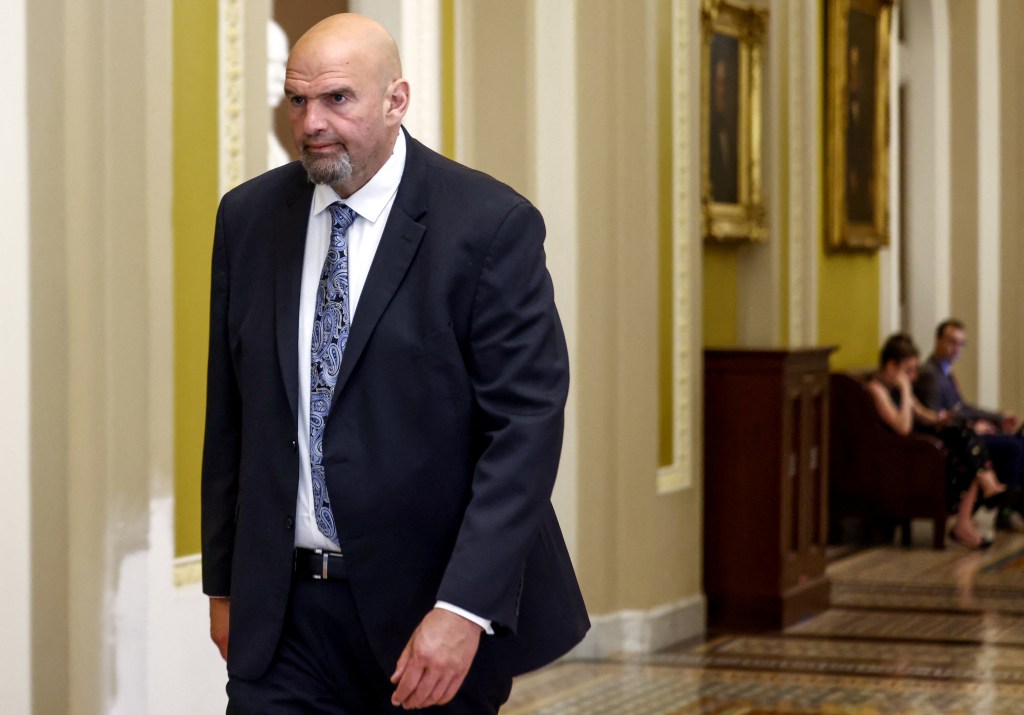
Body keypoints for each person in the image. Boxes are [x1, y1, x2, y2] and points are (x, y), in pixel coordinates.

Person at [201, 13, 589, 714]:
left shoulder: (488, 226)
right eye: (297, 100)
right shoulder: (248, 220)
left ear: (396, 100)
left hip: (425, 618)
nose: (311, 121)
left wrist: (464, 607)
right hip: (283, 618)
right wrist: (224, 584)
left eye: (337, 98)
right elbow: (229, 413)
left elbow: (525, 430)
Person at [868, 333, 1005, 549]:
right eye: (908, 371)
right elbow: (902, 427)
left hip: (916, 447)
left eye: (914, 370)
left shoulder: (900, 386)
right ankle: (983, 487)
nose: (913, 377)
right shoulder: (877, 390)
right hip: (900, 454)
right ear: (891, 366)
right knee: (964, 445)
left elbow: (922, 413)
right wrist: (905, 389)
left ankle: (967, 515)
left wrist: (941, 417)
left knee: (964, 435)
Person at [914, 318, 1024, 531]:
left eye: (961, 344)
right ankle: (1006, 510)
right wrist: (974, 427)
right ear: (938, 340)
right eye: (952, 342)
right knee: (1014, 447)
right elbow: (939, 417)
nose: (956, 349)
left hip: (965, 431)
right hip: (953, 439)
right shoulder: (930, 374)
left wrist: (996, 417)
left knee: (1019, 439)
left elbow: (962, 407)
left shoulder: (945, 372)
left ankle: (1015, 506)